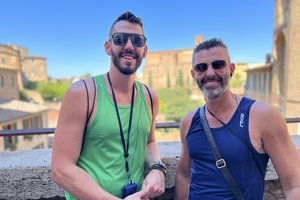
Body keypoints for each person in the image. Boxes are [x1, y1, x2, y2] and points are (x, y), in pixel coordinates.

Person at [51, 11, 166, 200]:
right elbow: (61, 169)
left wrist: (157, 168)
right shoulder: (82, 93)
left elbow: (149, 141)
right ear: (108, 47)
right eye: (120, 39)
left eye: (137, 41)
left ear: (144, 50)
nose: (129, 46)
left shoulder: (149, 96)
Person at [175, 38, 300, 199]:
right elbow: (184, 175)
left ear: (231, 69)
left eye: (218, 65)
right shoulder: (188, 122)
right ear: (193, 74)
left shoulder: (264, 117)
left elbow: (294, 185)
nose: (210, 73)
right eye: (201, 67)